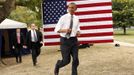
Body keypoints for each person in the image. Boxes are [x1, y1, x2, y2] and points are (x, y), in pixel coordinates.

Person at [54, 3, 80, 75]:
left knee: (75, 60)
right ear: (68, 8)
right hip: (65, 41)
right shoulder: (63, 17)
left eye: (72, 8)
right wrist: (65, 30)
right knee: (66, 61)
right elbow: (56, 29)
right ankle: (58, 64)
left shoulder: (76, 18)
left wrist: (78, 31)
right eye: (69, 7)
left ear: (75, 9)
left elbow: (77, 27)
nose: (71, 9)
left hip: (74, 40)